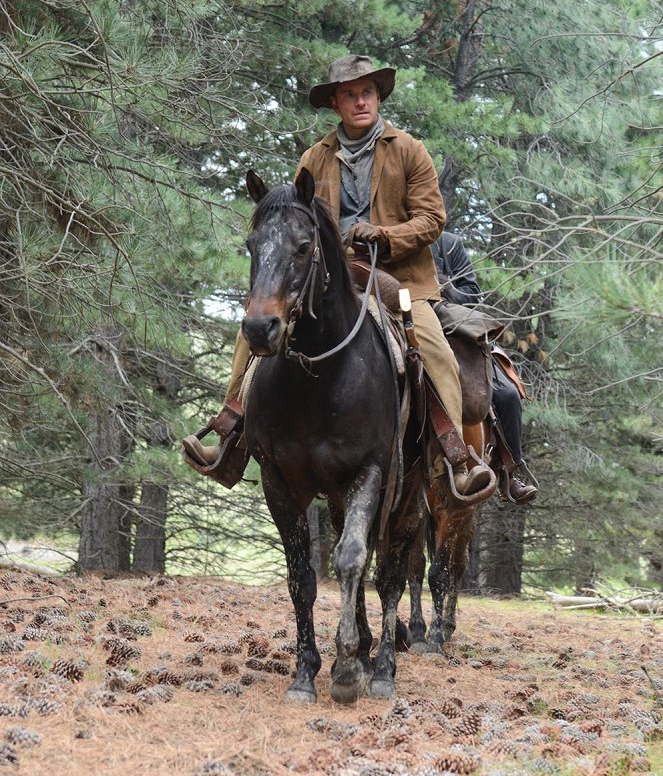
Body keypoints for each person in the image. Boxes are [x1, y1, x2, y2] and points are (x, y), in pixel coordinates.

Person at [183, 54, 491, 498]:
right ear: (335, 103)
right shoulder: (314, 158)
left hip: (397, 278)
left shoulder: (409, 150)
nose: (360, 101)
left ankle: (456, 456)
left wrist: (383, 235)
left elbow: (432, 220)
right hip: (326, 277)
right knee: (252, 333)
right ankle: (228, 434)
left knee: (433, 347)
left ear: (378, 96)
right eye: (350, 94)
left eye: (367, 92)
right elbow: (293, 223)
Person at [430, 231, 538, 504]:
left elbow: (472, 293)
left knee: (507, 395)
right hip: (402, 319)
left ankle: (509, 472)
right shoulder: (385, 234)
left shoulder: (449, 243)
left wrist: (448, 290)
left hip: (453, 327)